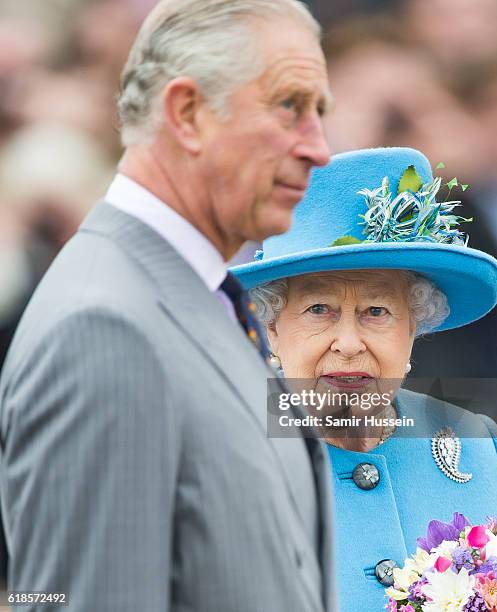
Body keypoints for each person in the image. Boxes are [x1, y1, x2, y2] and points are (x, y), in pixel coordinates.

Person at [0, 1, 337, 611]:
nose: (318, 148)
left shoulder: (196, 296)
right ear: (187, 113)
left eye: (320, 112)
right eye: (290, 106)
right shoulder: (103, 327)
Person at [231, 147, 497, 611]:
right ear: (271, 329)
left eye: (377, 311)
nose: (348, 342)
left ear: (414, 328)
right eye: (319, 309)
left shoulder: (475, 444)